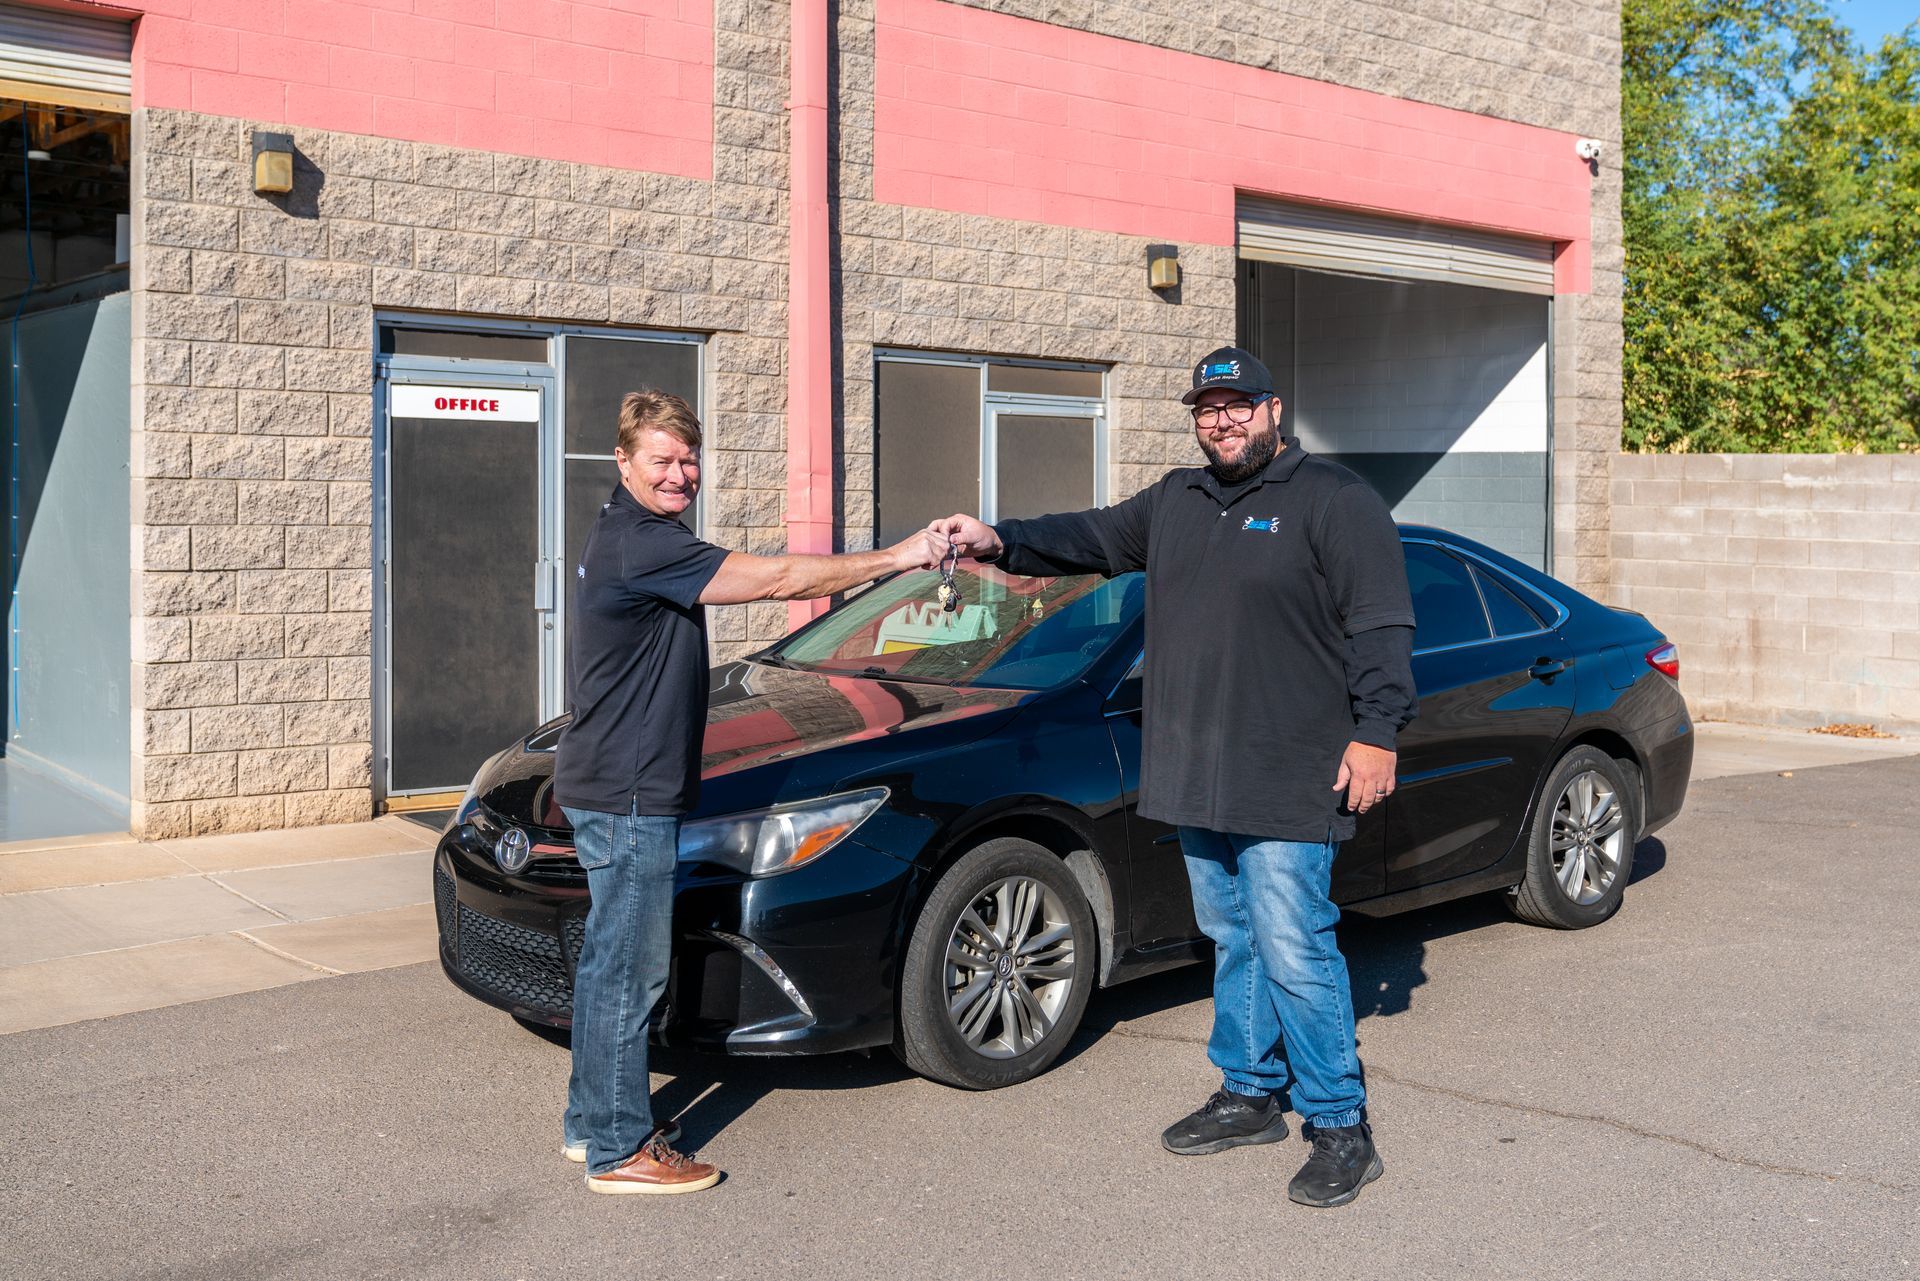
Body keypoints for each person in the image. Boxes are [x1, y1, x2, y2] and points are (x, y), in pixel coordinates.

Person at [930, 346, 1416, 1208]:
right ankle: (1248, 1091)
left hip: (1290, 769)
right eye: (1206, 409)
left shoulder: (1334, 502)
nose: (1221, 421)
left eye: (1236, 405)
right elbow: (1085, 536)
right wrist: (998, 538)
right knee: (1232, 937)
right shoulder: (1175, 502)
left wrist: (1377, 733)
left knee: (1296, 945)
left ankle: (1340, 1122)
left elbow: (1381, 626)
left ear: (1273, 409)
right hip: (1195, 768)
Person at [554, 389, 943, 1195]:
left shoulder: (622, 532)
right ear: (623, 462)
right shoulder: (646, 544)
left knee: (606, 966)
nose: (679, 473)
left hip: (603, 779)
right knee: (631, 973)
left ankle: (594, 1120)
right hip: (628, 792)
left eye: (688, 459)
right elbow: (778, 578)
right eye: (661, 459)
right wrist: (897, 558)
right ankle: (622, 1149)